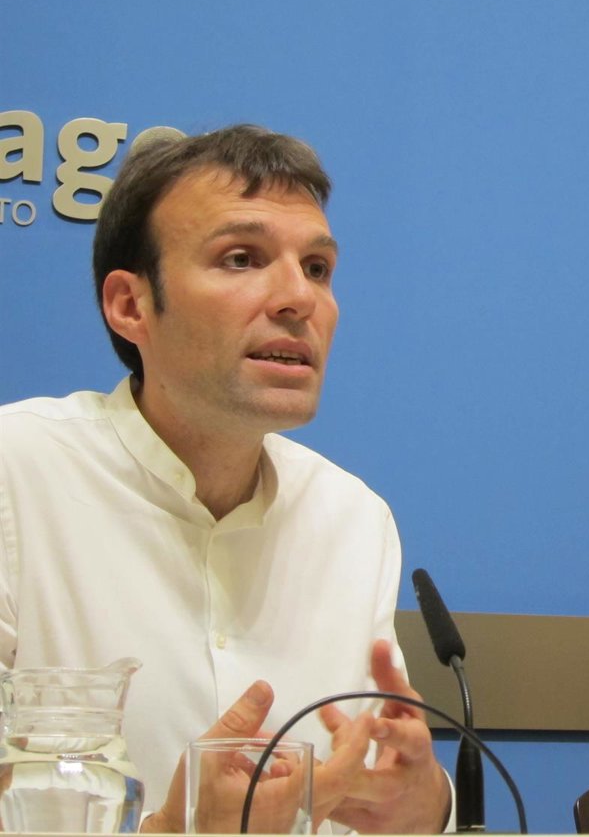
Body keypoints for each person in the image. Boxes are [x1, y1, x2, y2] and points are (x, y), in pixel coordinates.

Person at [0, 125, 451, 833]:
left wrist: (423, 811)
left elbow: (368, 790)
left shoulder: (354, 519)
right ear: (131, 305)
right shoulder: (16, 472)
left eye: (318, 268)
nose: (298, 298)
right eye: (241, 258)